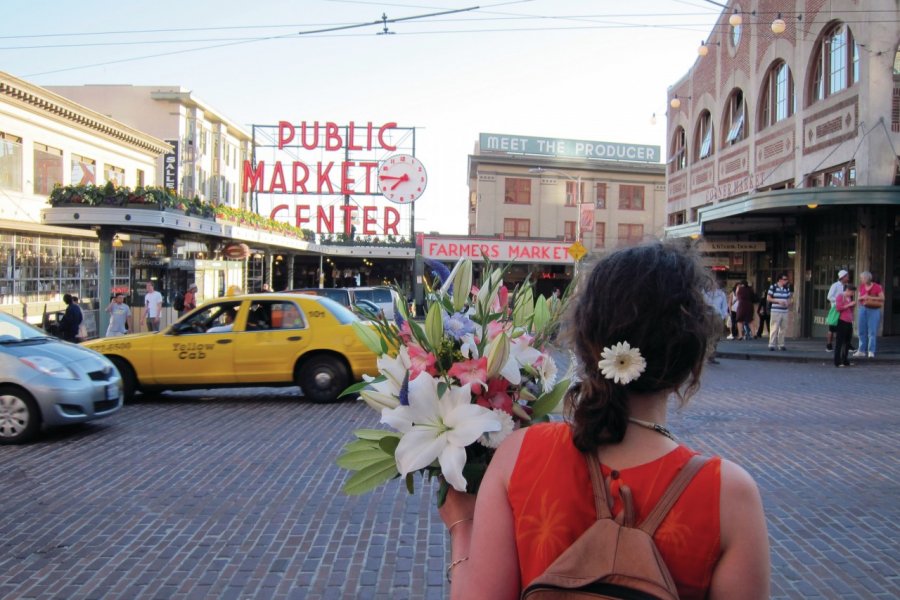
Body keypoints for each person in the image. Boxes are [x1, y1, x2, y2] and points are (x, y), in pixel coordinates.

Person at [439, 241, 770, 600]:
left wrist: (461, 525)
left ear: (586, 346)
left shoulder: (519, 457)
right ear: (690, 364)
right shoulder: (729, 495)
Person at [855, 271, 885, 358]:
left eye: (862, 278)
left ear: (867, 278)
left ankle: (871, 351)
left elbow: (882, 298)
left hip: (874, 310)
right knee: (861, 330)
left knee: (872, 331)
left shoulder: (877, 287)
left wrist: (870, 297)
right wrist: (863, 297)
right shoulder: (861, 286)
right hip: (863, 308)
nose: (861, 279)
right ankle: (861, 350)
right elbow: (859, 298)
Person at [704, 279, 728, 364]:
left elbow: (724, 307)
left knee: (715, 337)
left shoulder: (721, 294)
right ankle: (706, 356)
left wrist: (723, 316)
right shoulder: (704, 294)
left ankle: (712, 356)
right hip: (707, 316)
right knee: (707, 337)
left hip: (717, 317)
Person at [766, 273, 792, 351]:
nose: (786, 281)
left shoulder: (786, 288)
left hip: (784, 311)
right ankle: (771, 344)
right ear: (780, 280)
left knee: (783, 328)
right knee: (774, 328)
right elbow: (768, 298)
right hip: (775, 310)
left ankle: (781, 344)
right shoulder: (773, 287)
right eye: (785, 279)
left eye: (787, 279)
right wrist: (778, 301)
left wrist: (788, 303)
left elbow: (789, 298)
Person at [826, 270, 849, 351]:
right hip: (835, 309)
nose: (848, 277)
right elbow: (829, 296)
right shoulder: (835, 285)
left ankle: (842, 344)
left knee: (842, 327)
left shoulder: (846, 286)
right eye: (846, 276)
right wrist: (838, 301)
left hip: (844, 309)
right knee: (832, 328)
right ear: (842, 277)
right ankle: (829, 345)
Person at [834, 285, 856, 368]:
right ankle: (837, 361)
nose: (852, 294)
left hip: (849, 321)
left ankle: (845, 360)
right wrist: (849, 304)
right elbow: (838, 308)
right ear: (847, 290)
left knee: (847, 342)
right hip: (842, 321)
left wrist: (852, 306)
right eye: (851, 292)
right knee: (839, 342)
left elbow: (849, 310)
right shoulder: (840, 296)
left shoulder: (849, 298)